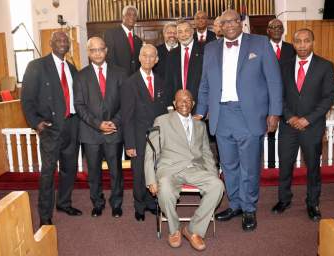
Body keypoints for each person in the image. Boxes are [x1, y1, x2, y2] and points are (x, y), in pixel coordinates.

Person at [195, 10, 283, 231]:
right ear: (220, 27)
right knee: (229, 165)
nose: (231, 25)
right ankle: (235, 204)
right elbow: (205, 84)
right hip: (221, 115)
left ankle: (249, 208)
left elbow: (274, 81)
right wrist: (200, 112)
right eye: (225, 22)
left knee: (249, 166)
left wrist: (274, 113)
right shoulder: (211, 48)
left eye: (235, 20)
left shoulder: (260, 43)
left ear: (241, 23)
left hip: (249, 115)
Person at [145, 89, 224, 251]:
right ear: (174, 104)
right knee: (165, 189)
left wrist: (213, 174)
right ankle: (174, 229)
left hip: (194, 169)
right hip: (170, 169)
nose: (184, 103)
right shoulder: (162, 120)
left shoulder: (200, 125)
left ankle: (193, 229)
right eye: (180, 100)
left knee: (217, 186)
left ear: (193, 104)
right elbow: (151, 151)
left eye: (188, 100)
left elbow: (206, 153)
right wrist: (151, 179)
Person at [271, 29, 334, 221]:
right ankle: (284, 199)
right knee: (285, 165)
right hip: (288, 126)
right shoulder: (283, 66)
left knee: (313, 167)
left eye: (306, 41)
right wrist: (290, 117)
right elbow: (278, 95)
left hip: (312, 126)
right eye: (298, 41)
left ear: (312, 42)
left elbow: (328, 97)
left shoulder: (325, 66)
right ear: (293, 43)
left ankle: (312, 203)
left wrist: (308, 119)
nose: (302, 45)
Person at [21, 31, 82, 227]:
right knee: (48, 172)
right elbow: (27, 98)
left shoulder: (73, 69)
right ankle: (45, 214)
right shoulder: (36, 66)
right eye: (58, 40)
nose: (63, 42)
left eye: (66, 40)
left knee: (69, 169)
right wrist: (35, 122)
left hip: (72, 126)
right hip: (50, 128)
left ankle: (64, 203)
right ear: (50, 43)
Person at [73, 37, 126, 218]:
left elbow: (125, 104)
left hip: (114, 130)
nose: (97, 53)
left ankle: (117, 203)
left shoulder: (120, 73)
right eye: (93, 50)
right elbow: (79, 106)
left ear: (106, 50)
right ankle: (97, 203)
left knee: (115, 171)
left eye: (100, 49)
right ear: (88, 53)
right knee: (93, 172)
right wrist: (98, 124)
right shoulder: (80, 76)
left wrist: (115, 122)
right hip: (90, 133)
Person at [121, 44, 168, 221]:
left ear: (156, 60)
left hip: (157, 137)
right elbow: (126, 117)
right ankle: (139, 206)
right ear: (139, 57)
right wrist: (130, 144)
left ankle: (151, 203)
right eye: (145, 55)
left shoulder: (162, 82)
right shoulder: (129, 83)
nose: (148, 59)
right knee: (140, 174)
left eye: (152, 56)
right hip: (138, 137)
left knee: (155, 170)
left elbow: (164, 113)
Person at [266, 18, 296, 168]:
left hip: (287, 99)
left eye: (279, 27)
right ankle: (271, 165)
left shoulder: (292, 49)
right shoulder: (262, 47)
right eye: (273, 27)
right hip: (267, 98)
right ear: (268, 30)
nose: (277, 29)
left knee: (287, 135)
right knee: (270, 132)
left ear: (283, 30)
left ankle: (286, 165)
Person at [165, 19, 203, 108]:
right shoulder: (171, 54)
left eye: (186, 31)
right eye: (180, 32)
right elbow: (168, 83)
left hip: (199, 105)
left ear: (192, 31)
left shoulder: (204, 50)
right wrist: (170, 106)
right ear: (177, 35)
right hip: (178, 106)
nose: (183, 35)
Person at [104, 5, 142, 76]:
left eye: (134, 15)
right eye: (129, 14)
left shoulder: (138, 40)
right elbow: (109, 59)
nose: (132, 17)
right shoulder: (111, 34)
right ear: (123, 17)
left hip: (134, 79)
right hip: (118, 79)